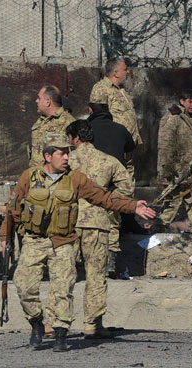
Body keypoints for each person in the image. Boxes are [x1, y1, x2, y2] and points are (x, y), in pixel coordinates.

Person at [0, 135, 155, 352]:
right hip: (34, 241)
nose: (66, 157)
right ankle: (36, 322)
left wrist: (132, 206)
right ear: (47, 156)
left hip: (63, 242)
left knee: (63, 288)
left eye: (68, 152)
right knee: (24, 285)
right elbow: (12, 207)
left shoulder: (75, 179)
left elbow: (103, 197)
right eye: (61, 153)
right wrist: (5, 236)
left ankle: (62, 333)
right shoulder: (29, 177)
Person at [60, 119, 133, 339]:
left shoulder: (65, 160)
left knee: (63, 274)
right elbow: (128, 188)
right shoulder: (108, 161)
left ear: (75, 138)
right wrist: (109, 201)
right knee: (95, 275)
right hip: (98, 223)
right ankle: (92, 325)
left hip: (67, 223)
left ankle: (56, 323)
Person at [90, 58, 145, 234]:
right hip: (112, 146)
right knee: (112, 182)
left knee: (128, 181)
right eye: (125, 69)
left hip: (126, 146)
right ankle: (111, 222)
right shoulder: (101, 89)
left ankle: (128, 218)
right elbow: (97, 117)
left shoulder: (122, 92)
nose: (127, 72)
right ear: (115, 72)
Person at [88, 102, 136, 277]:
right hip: (115, 187)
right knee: (113, 224)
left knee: (90, 226)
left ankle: (90, 264)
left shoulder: (87, 129)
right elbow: (131, 146)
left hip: (91, 188)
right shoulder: (120, 129)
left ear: (90, 111)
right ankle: (111, 264)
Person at [155, 89, 192, 234]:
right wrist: (167, 170)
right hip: (177, 170)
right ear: (182, 101)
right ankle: (157, 231)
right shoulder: (173, 118)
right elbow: (165, 145)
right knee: (172, 202)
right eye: (190, 102)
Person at [29, 85, 75, 169]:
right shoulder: (40, 122)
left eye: (39, 98)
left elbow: (73, 154)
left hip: (57, 178)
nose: (36, 101)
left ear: (48, 102)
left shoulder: (67, 122)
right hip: (36, 176)